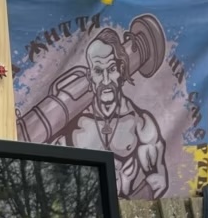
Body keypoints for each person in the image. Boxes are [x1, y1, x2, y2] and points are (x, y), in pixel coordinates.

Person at [69, 28, 168, 199]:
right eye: (99, 71)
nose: (106, 80)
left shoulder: (141, 124)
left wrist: (125, 213)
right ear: (90, 75)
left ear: (122, 70)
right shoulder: (72, 128)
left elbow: (158, 181)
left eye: (112, 68)